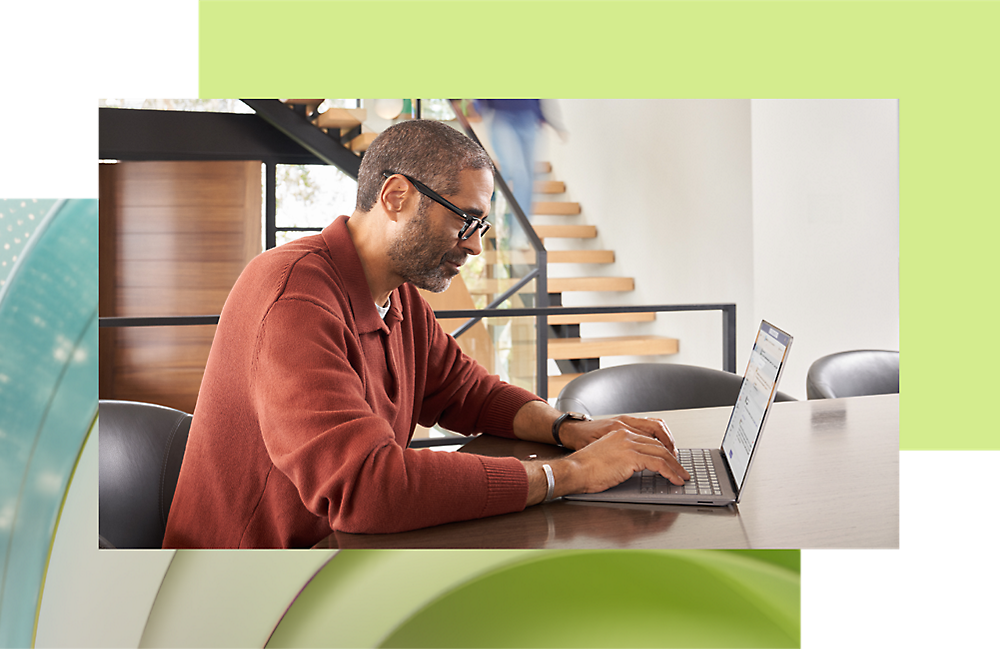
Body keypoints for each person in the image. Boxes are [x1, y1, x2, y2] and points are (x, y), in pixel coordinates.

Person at [162, 120, 688, 549]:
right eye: (466, 221)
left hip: (338, 556)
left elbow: (466, 392)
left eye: (480, 229)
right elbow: (366, 487)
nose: (475, 247)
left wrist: (567, 431)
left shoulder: (400, 296)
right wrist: (567, 475)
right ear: (396, 196)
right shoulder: (293, 298)